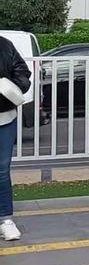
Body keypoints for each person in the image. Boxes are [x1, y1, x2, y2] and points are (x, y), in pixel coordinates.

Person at [0, 34, 32, 242]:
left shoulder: (5, 45)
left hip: (4, 118)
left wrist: (6, 88)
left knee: (2, 171)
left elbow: (23, 74)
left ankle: (5, 220)